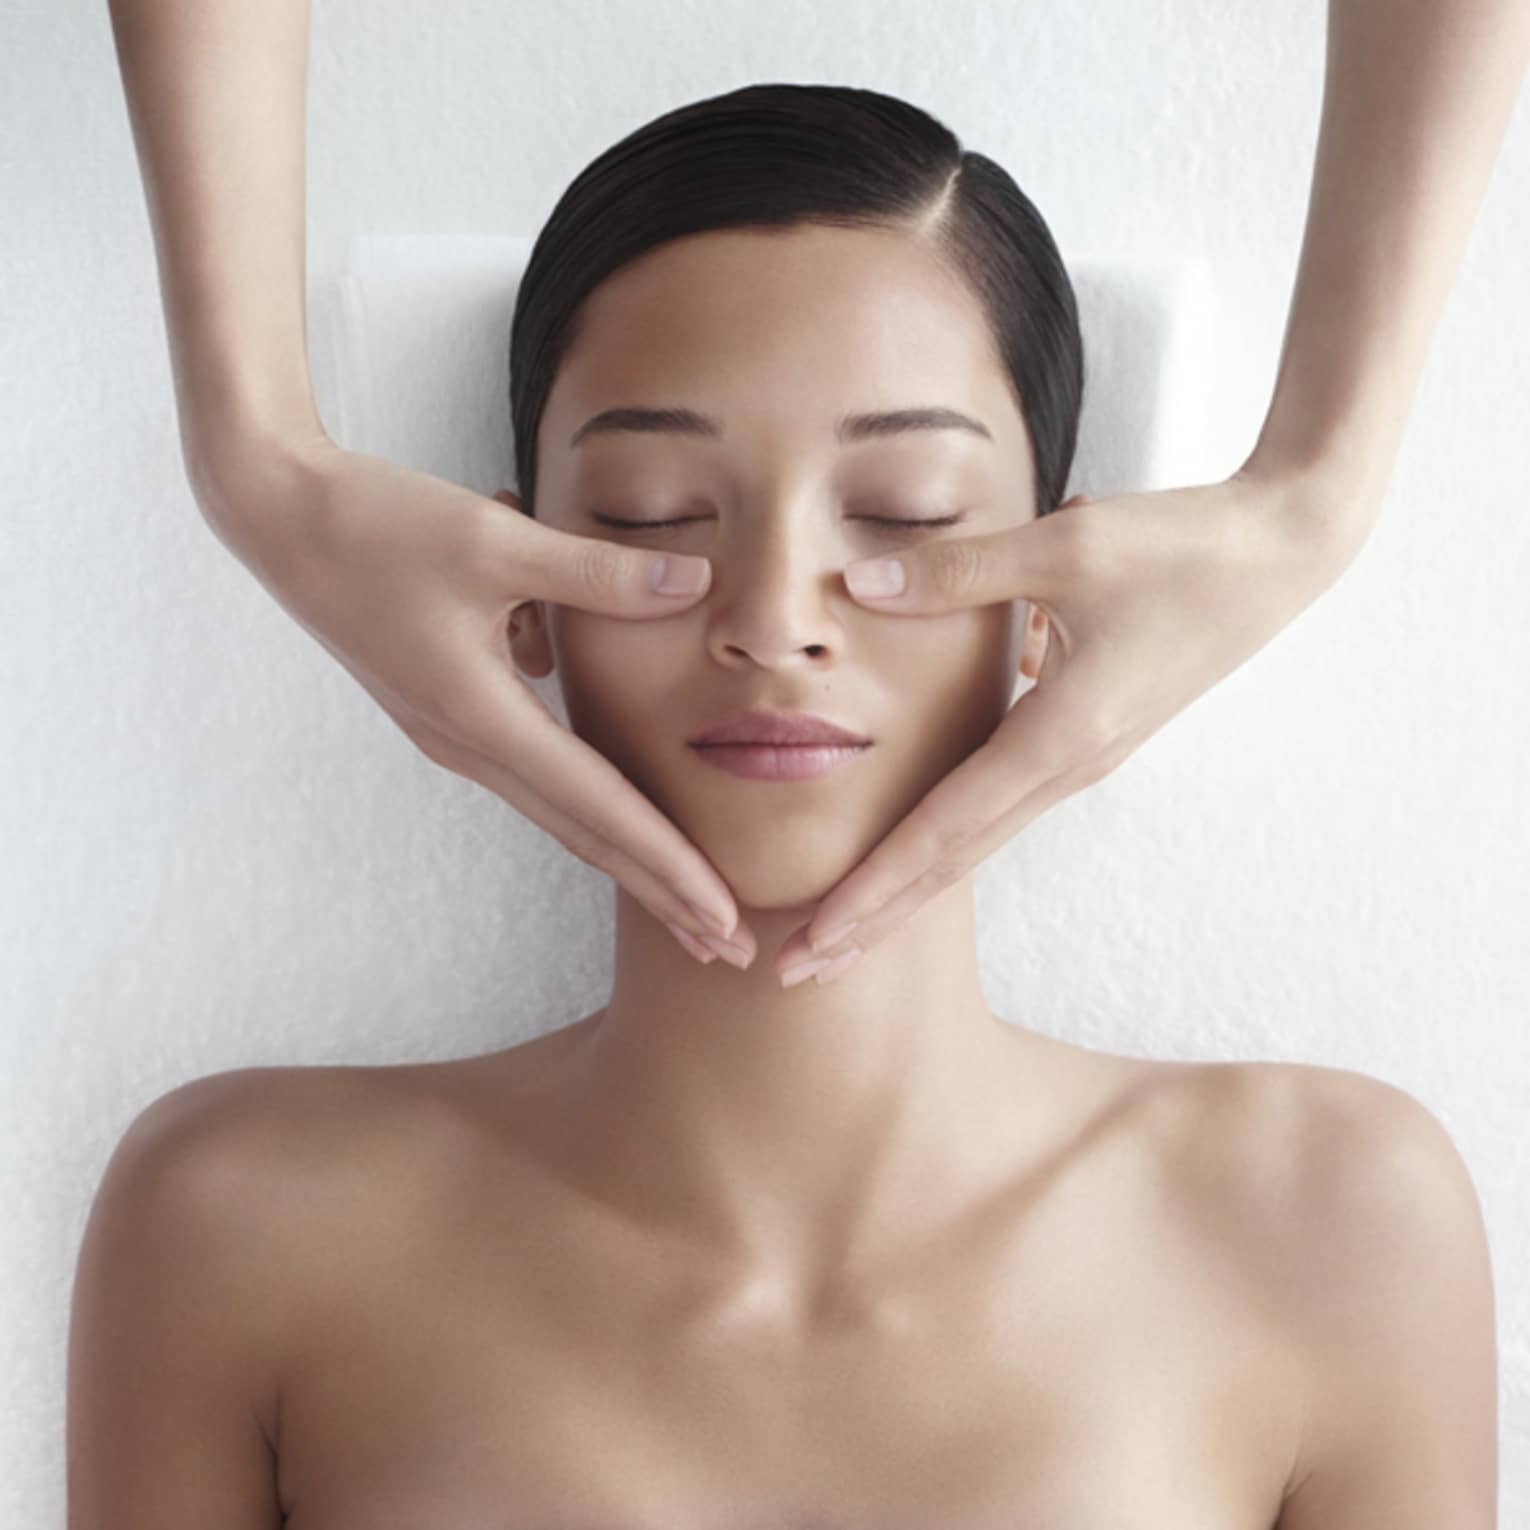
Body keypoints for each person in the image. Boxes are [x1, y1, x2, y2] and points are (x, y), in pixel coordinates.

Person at [70, 5, 1520, 1527]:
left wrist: (1321, 487)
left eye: (901, 513)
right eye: (645, 512)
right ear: (517, 590)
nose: (772, 620)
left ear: (1054, 601)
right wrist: (252, 454)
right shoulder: (243, 1218)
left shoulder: (1325, 1217)